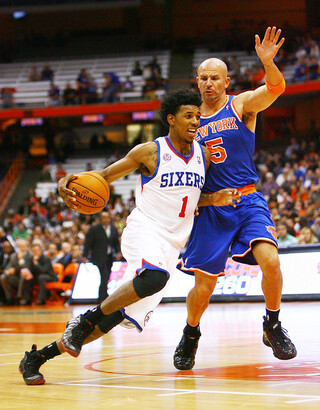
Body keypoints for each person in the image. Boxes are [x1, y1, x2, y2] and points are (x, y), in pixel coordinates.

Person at [18, 89, 240, 385]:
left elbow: (189, 198)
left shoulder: (204, 155)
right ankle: (82, 321)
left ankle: (38, 357)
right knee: (154, 277)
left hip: (173, 244)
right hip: (145, 229)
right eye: (189, 116)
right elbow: (103, 177)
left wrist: (214, 199)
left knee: (111, 319)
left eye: (198, 116)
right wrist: (65, 182)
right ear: (171, 119)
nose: (195, 121)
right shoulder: (150, 151)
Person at [173, 26, 297, 371]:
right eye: (203, 78)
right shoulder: (187, 122)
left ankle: (272, 325)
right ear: (197, 82)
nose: (209, 83)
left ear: (227, 82)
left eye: (215, 77)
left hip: (247, 200)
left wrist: (269, 63)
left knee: (271, 261)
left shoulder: (240, 105)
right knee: (204, 287)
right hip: (212, 207)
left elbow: (276, 88)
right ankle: (191, 332)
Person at [82, 211, 121, 301]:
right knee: (104, 275)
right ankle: (102, 298)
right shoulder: (95, 229)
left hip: (109, 256)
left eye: (107, 218)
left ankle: (104, 295)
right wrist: (85, 255)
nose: (106, 220)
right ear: (100, 219)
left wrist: (118, 251)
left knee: (107, 276)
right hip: (99, 257)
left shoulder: (113, 228)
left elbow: (115, 242)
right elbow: (88, 243)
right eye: (104, 218)